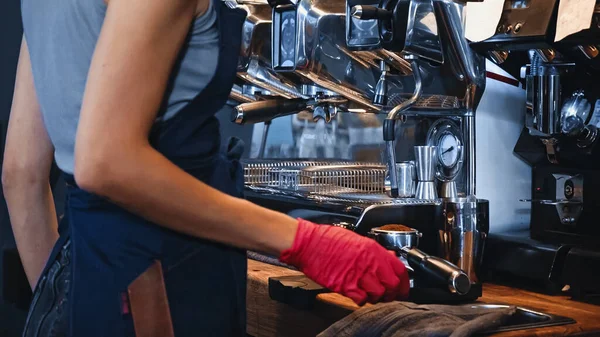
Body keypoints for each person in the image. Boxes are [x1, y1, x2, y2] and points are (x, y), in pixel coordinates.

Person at [1, 0, 410, 336]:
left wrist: (69, 310)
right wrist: (304, 242)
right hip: (168, 286)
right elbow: (105, 161)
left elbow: (20, 174)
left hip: (93, 277)